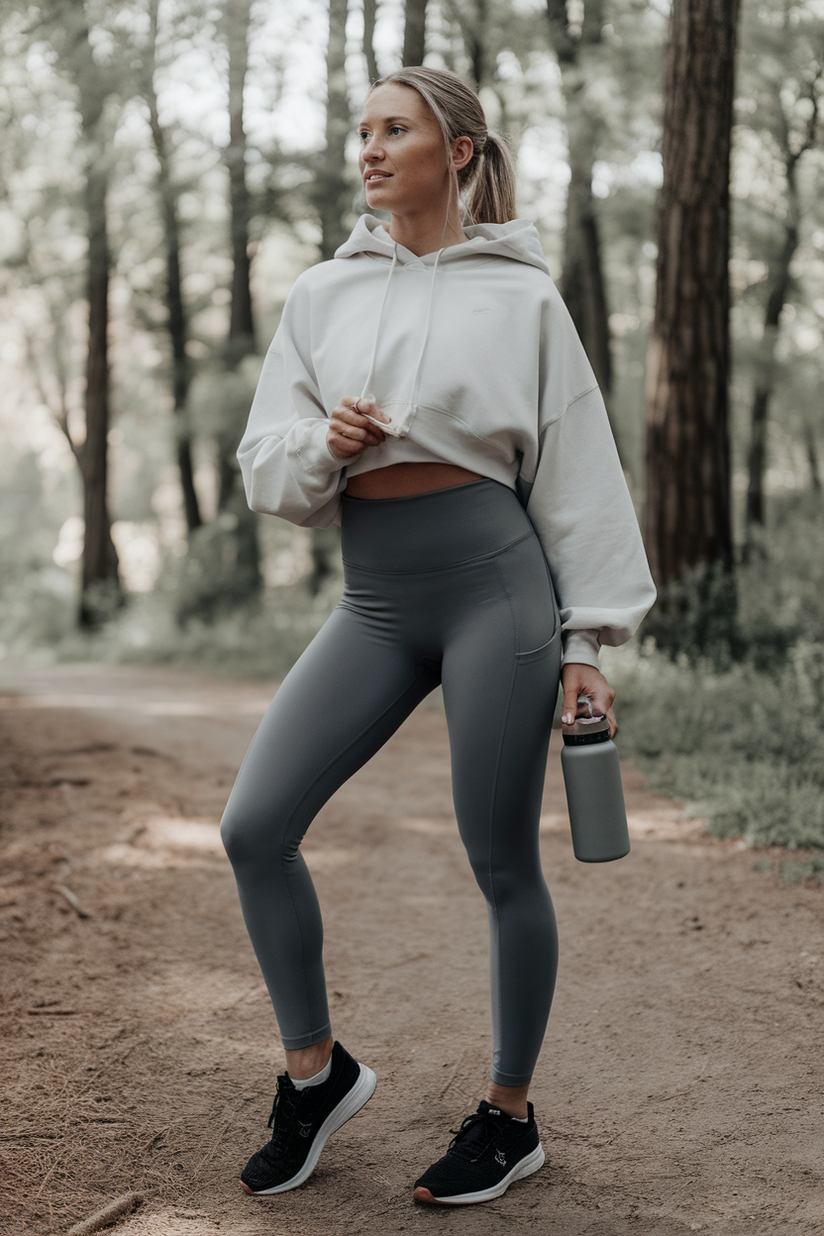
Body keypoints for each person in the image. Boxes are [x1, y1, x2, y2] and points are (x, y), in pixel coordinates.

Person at [220, 65, 656, 1207]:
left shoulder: (521, 299)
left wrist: (587, 643)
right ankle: (314, 1076)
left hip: (491, 592)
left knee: (499, 857)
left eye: (394, 130)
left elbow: (578, 477)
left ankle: (508, 1118)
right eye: (358, 131)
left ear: (456, 151)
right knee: (253, 826)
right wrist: (326, 441)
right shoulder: (322, 294)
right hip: (374, 597)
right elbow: (267, 466)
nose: (368, 149)